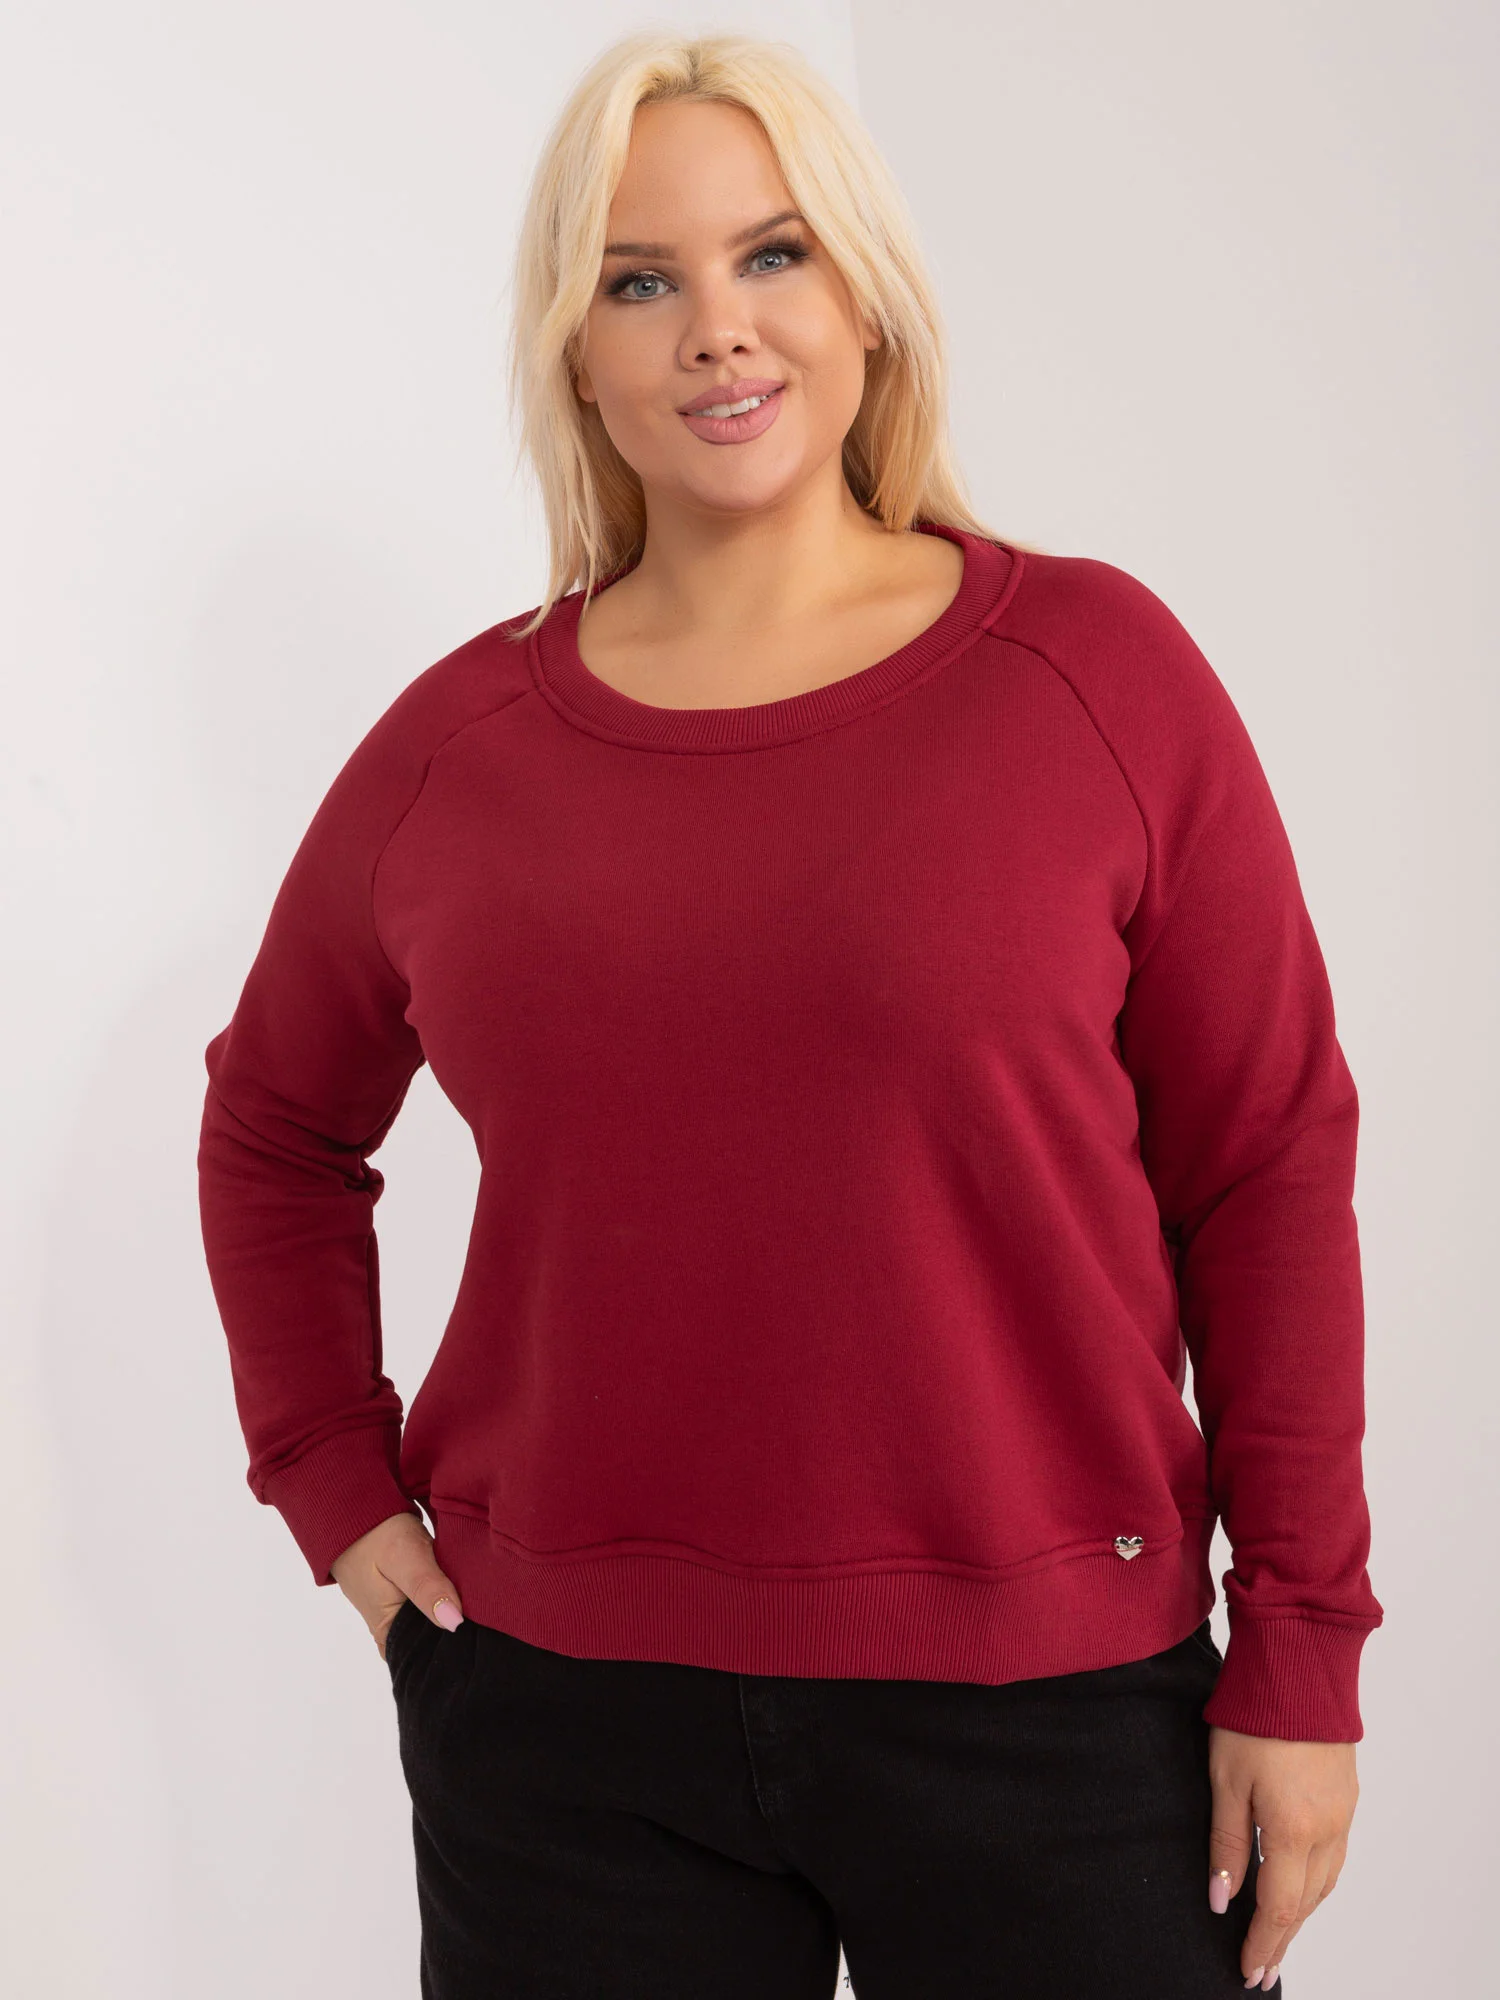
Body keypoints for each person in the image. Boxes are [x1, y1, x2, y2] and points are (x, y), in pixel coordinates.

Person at [196, 29, 1383, 2000]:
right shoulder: (457, 752)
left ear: (867, 295)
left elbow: (1262, 1160)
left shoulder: (1093, 674)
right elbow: (273, 1126)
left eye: (773, 254)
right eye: (638, 281)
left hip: (1055, 1718)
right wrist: (333, 1480)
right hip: (564, 1727)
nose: (716, 330)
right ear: (577, 355)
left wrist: (1304, 1645)